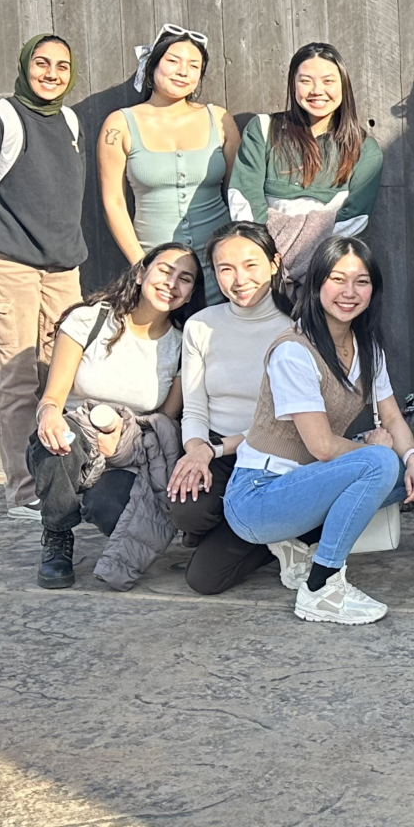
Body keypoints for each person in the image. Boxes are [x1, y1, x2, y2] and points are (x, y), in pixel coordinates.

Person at [222, 236, 414, 625]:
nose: (350, 292)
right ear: (316, 285)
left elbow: (394, 418)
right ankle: (322, 587)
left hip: (302, 485)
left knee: (408, 469)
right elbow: (321, 447)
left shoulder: (367, 347)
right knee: (381, 463)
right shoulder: (294, 351)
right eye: (338, 279)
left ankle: (299, 547)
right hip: (258, 496)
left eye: (362, 281)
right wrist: (375, 449)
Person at [0, 33, 87, 518]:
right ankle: (25, 495)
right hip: (9, 269)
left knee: (59, 380)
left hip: (62, 271)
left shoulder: (69, 122)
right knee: (14, 382)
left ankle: (58, 484)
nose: (52, 74)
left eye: (62, 66)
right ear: (25, 66)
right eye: (42, 63)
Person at [26, 242, 199, 589]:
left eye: (185, 279)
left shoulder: (184, 343)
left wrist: (124, 437)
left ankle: (83, 500)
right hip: (77, 435)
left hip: (130, 451)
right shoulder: (89, 320)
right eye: (164, 271)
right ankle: (57, 533)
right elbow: (53, 398)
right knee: (57, 442)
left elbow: (165, 419)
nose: (172, 283)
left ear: (191, 293)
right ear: (140, 274)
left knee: (116, 514)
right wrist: (48, 417)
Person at [160, 223, 288, 595]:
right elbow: (195, 406)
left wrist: (215, 449)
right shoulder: (201, 325)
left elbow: (286, 424)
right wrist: (196, 449)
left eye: (251, 265)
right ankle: (251, 527)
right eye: (225, 269)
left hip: (274, 457)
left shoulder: (297, 328)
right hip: (217, 451)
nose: (239, 279)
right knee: (186, 510)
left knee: (203, 579)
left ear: (274, 264)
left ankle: (273, 538)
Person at [97, 24, 240, 304]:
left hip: (218, 265)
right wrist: (141, 264)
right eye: (173, 61)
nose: (183, 71)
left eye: (193, 65)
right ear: (152, 66)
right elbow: (113, 201)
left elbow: (237, 194)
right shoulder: (120, 124)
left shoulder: (220, 120)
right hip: (157, 269)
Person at [230, 42, 384, 269]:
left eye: (328, 81)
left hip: (328, 271)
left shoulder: (364, 148)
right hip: (265, 266)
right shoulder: (263, 130)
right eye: (305, 81)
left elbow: (354, 218)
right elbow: (244, 199)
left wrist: (311, 269)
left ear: (344, 85)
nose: (316, 90)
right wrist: (270, 260)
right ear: (293, 84)